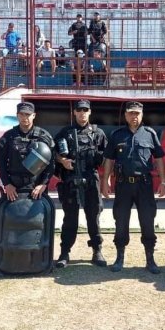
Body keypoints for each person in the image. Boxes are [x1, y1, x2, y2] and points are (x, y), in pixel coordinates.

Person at [101, 101, 165, 274]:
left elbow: (159, 158)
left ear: (142, 115)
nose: (134, 116)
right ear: (125, 115)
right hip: (123, 184)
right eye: (131, 113)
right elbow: (109, 159)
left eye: (137, 113)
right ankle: (119, 257)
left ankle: (150, 258)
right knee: (121, 221)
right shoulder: (117, 135)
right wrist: (106, 180)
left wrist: (163, 181)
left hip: (144, 185)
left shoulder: (150, 134)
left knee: (147, 221)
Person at [54, 100, 108, 268]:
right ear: (74, 112)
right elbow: (54, 152)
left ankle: (97, 250)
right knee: (70, 218)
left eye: (85, 110)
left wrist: (107, 180)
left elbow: (108, 158)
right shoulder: (65, 132)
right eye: (79, 110)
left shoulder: (98, 133)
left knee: (93, 217)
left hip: (91, 179)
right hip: (71, 179)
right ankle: (65, 252)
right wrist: (63, 161)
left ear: (90, 112)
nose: (82, 113)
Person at [0, 102, 55, 201]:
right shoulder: (8, 137)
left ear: (34, 115)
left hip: (36, 188)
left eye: (28, 114)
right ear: (17, 115)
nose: (24, 117)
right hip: (14, 188)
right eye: (21, 114)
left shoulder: (44, 136)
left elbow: (51, 163)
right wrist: (7, 184)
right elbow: (0, 162)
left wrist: (43, 184)